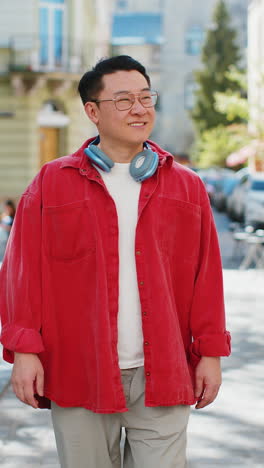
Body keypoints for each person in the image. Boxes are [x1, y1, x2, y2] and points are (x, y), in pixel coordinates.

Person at [0, 56, 231, 468]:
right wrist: (24, 351)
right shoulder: (51, 183)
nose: (140, 109)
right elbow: (22, 273)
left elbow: (207, 278)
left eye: (146, 97)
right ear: (93, 111)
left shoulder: (188, 187)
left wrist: (210, 353)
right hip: (79, 370)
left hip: (163, 371)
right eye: (123, 100)